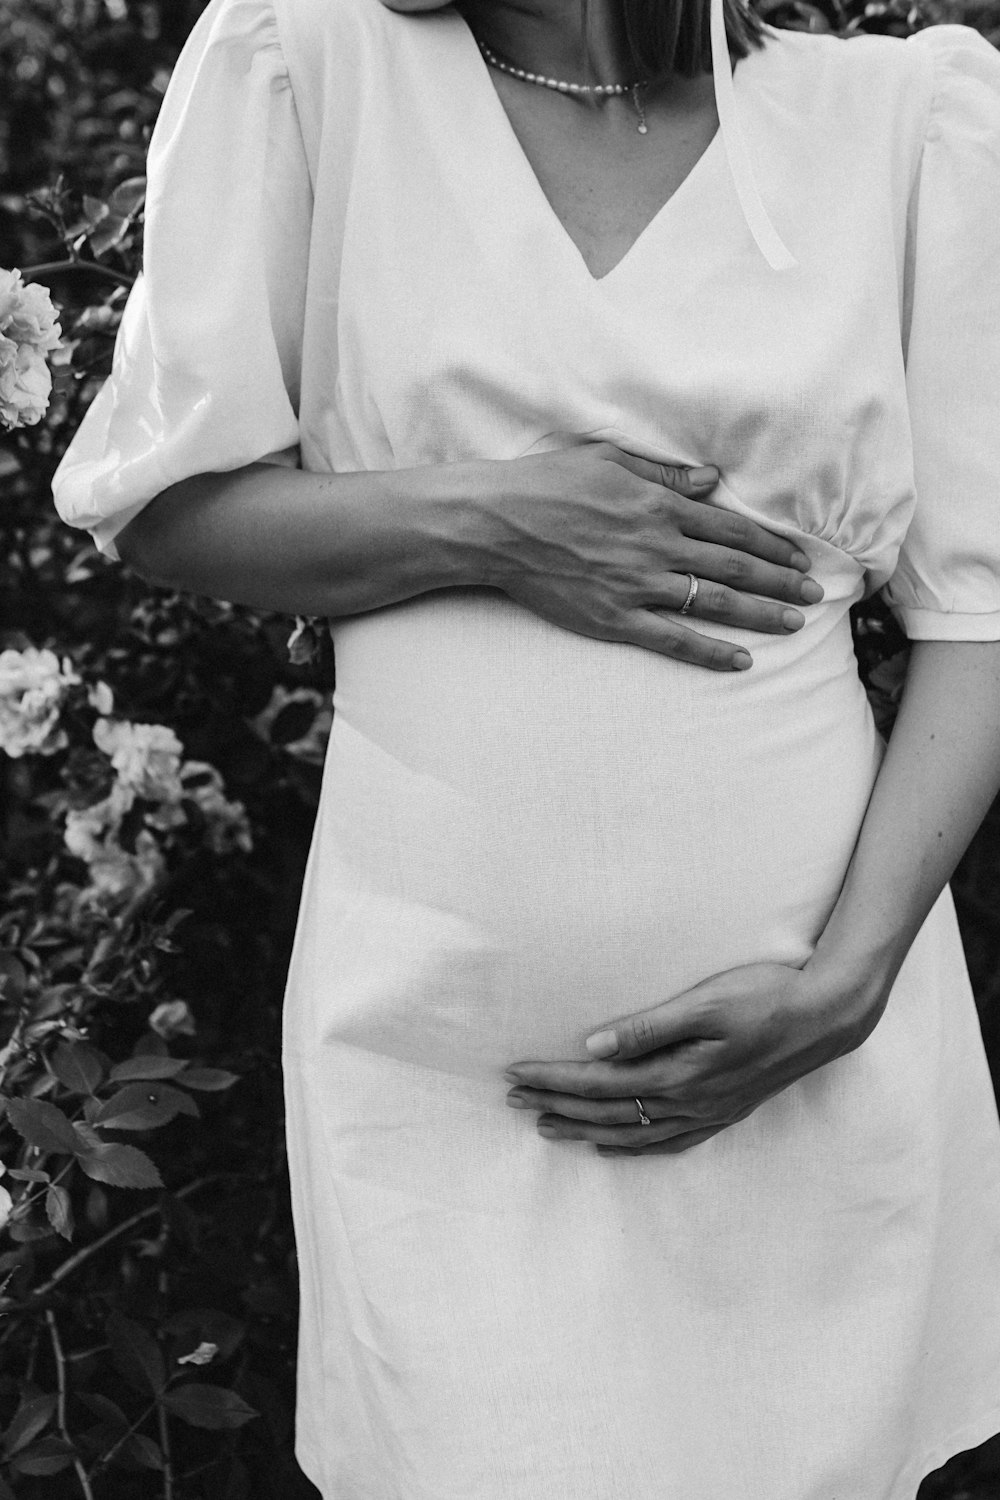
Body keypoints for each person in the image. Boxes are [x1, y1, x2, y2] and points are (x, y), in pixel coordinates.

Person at [51, 0, 1000, 1492]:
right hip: (444, 1072)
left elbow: (982, 615)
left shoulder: (903, 121)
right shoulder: (305, 61)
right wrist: (496, 518)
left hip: (810, 1059)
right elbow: (165, 502)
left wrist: (849, 983)